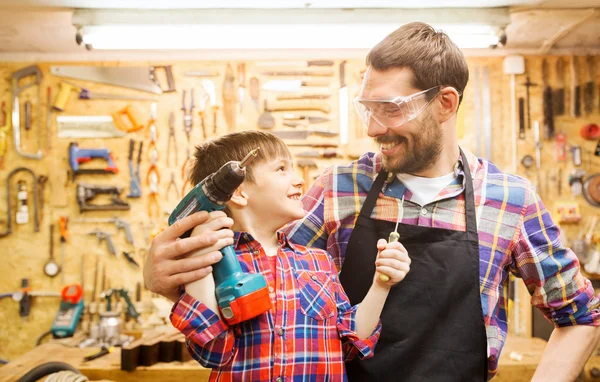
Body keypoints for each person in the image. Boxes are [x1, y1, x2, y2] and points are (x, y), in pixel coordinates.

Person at [145, 22, 600, 381]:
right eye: (368, 109)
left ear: (445, 103)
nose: (373, 128)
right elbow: (248, 279)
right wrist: (163, 277)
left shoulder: (510, 199)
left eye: (391, 108)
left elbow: (580, 316)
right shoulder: (335, 190)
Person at [167, 130, 411, 381]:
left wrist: (382, 284)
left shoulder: (319, 262)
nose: (299, 180)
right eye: (281, 169)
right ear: (239, 192)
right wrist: (200, 251)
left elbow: (353, 343)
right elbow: (212, 352)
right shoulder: (215, 267)